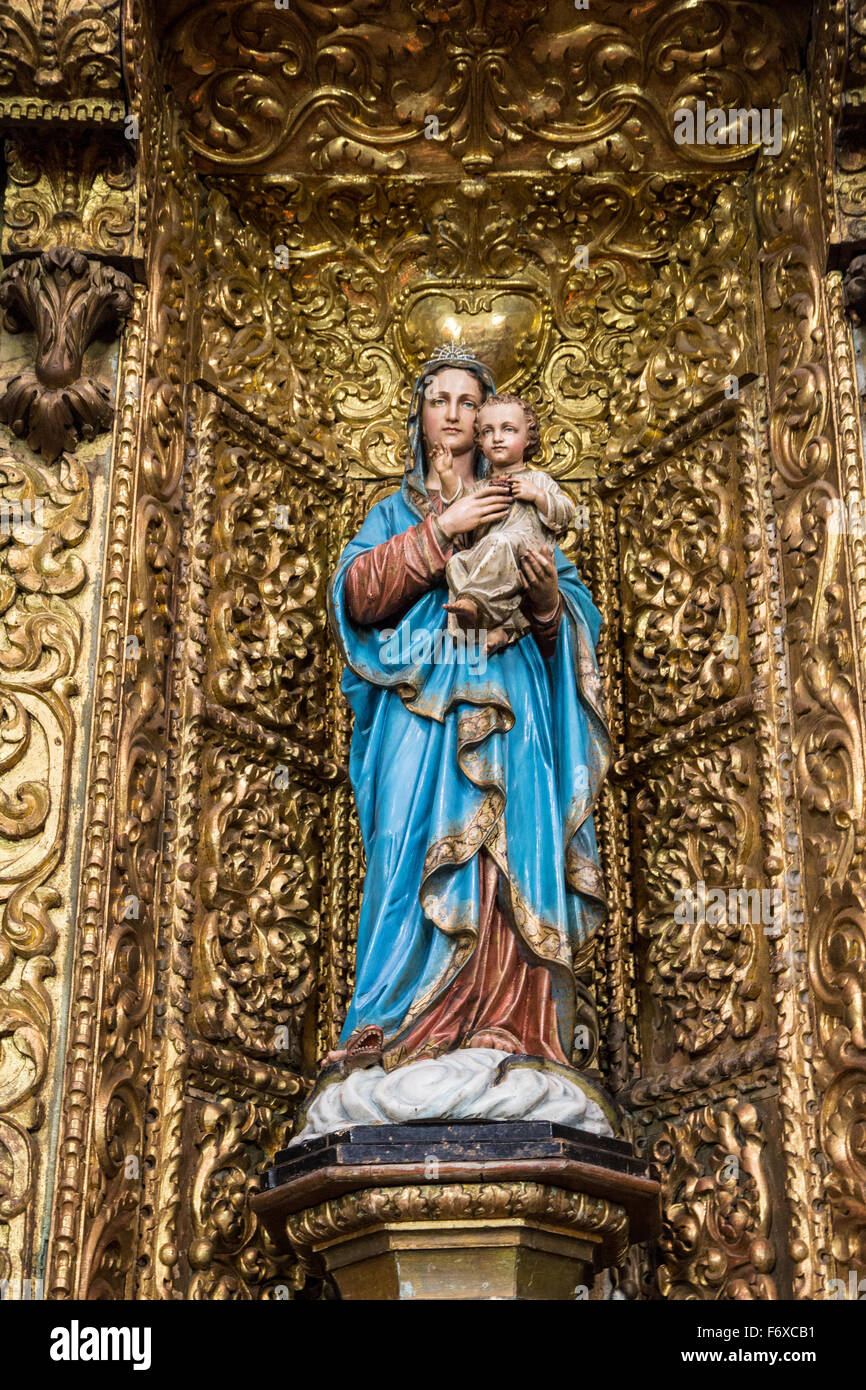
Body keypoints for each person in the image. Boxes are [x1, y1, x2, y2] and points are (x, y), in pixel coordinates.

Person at [326, 346, 609, 1073]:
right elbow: (357, 595)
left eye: (468, 405)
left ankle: (508, 1027)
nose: (452, 415)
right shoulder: (391, 511)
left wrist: (548, 601)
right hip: (416, 722)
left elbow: (573, 617)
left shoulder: (519, 499)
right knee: (405, 853)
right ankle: (390, 1025)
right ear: (418, 417)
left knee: (506, 852)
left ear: (490, 427)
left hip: (511, 710)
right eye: (438, 401)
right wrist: (442, 529)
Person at [433, 392, 576, 652]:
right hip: (489, 555)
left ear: (528, 437)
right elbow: (460, 514)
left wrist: (539, 497)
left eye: (508, 429)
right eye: (487, 431)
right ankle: (490, 630)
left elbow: (567, 513)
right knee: (455, 563)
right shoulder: (480, 488)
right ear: (479, 441)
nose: (497, 438)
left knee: (499, 543)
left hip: (525, 554)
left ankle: (474, 604)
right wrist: (446, 474)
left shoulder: (538, 480)